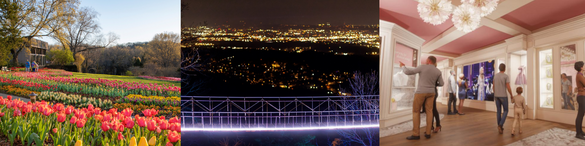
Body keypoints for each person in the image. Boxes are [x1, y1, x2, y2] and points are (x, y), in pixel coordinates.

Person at [400, 56, 444, 140]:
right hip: (431, 93)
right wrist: (432, 84)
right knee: (429, 111)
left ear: (429, 60)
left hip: (421, 92)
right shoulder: (438, 71)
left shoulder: (422, 67)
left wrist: (403, 66)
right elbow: (441, 83)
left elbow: (408, 72)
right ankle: (428, 133)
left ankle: (416, 134)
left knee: (416, 111)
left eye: (427, 59)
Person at [493, 63, 514, 134]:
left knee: (498, 111)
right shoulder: (506, 76)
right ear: (504, 69)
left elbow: (493, 87)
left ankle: (500, 127)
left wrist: (496, 93)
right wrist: (511, 95)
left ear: (499, 68)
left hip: (496, 96)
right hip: (503, 96)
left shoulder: (495, 76)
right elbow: (508, 87)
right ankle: (500, 124)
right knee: (506, 110)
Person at [574, 61, 585, 140]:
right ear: (581, 67)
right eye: (584, 66)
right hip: (581, 97)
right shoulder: (580, 75)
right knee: (580, 115)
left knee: (581, 115)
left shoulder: (581, 75)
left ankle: (580, 131)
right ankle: (578, 133)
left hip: (582, 96)